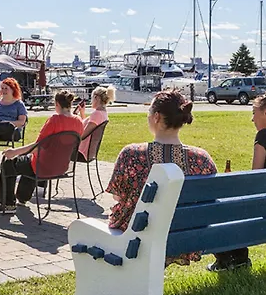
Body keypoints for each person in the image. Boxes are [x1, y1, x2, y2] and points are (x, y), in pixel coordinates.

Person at [106, 89, 217, 266]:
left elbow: (117, 196)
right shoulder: (202, 159)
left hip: (138, 239)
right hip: (184, 237)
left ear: (156, 117)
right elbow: (209, 201)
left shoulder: (131, 154)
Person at [0, 90, 84, 214]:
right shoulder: (79, 121)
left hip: (43, 165)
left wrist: (14, 151)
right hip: (63, 167)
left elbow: (37, 146)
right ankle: (22, 197)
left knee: (9, 164)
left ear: (57, 104)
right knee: (27, 162)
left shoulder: (54, 120)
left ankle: (7, 204)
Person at [206, 95, 266, 271]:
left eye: (254, 112)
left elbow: (255, 177)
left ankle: (230, 259)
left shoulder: (263, 135)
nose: (252, 119)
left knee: (225, 208)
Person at [74, 86, 115, 160]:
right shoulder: (103, 113)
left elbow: (82, 136)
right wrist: (82, 113)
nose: (91, 101)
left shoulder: (96, 114)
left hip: (82, 152)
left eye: (92, 98)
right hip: (90, 152)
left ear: (97, 98)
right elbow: (88, 128)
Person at [0, 78, 27, 143]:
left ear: (13, 89)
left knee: (5, 126)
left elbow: (21, 122)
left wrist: (6, 124)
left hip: (12, 131)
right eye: (2, 88)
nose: (3, 90)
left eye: (6, 88)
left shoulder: (19, 104)